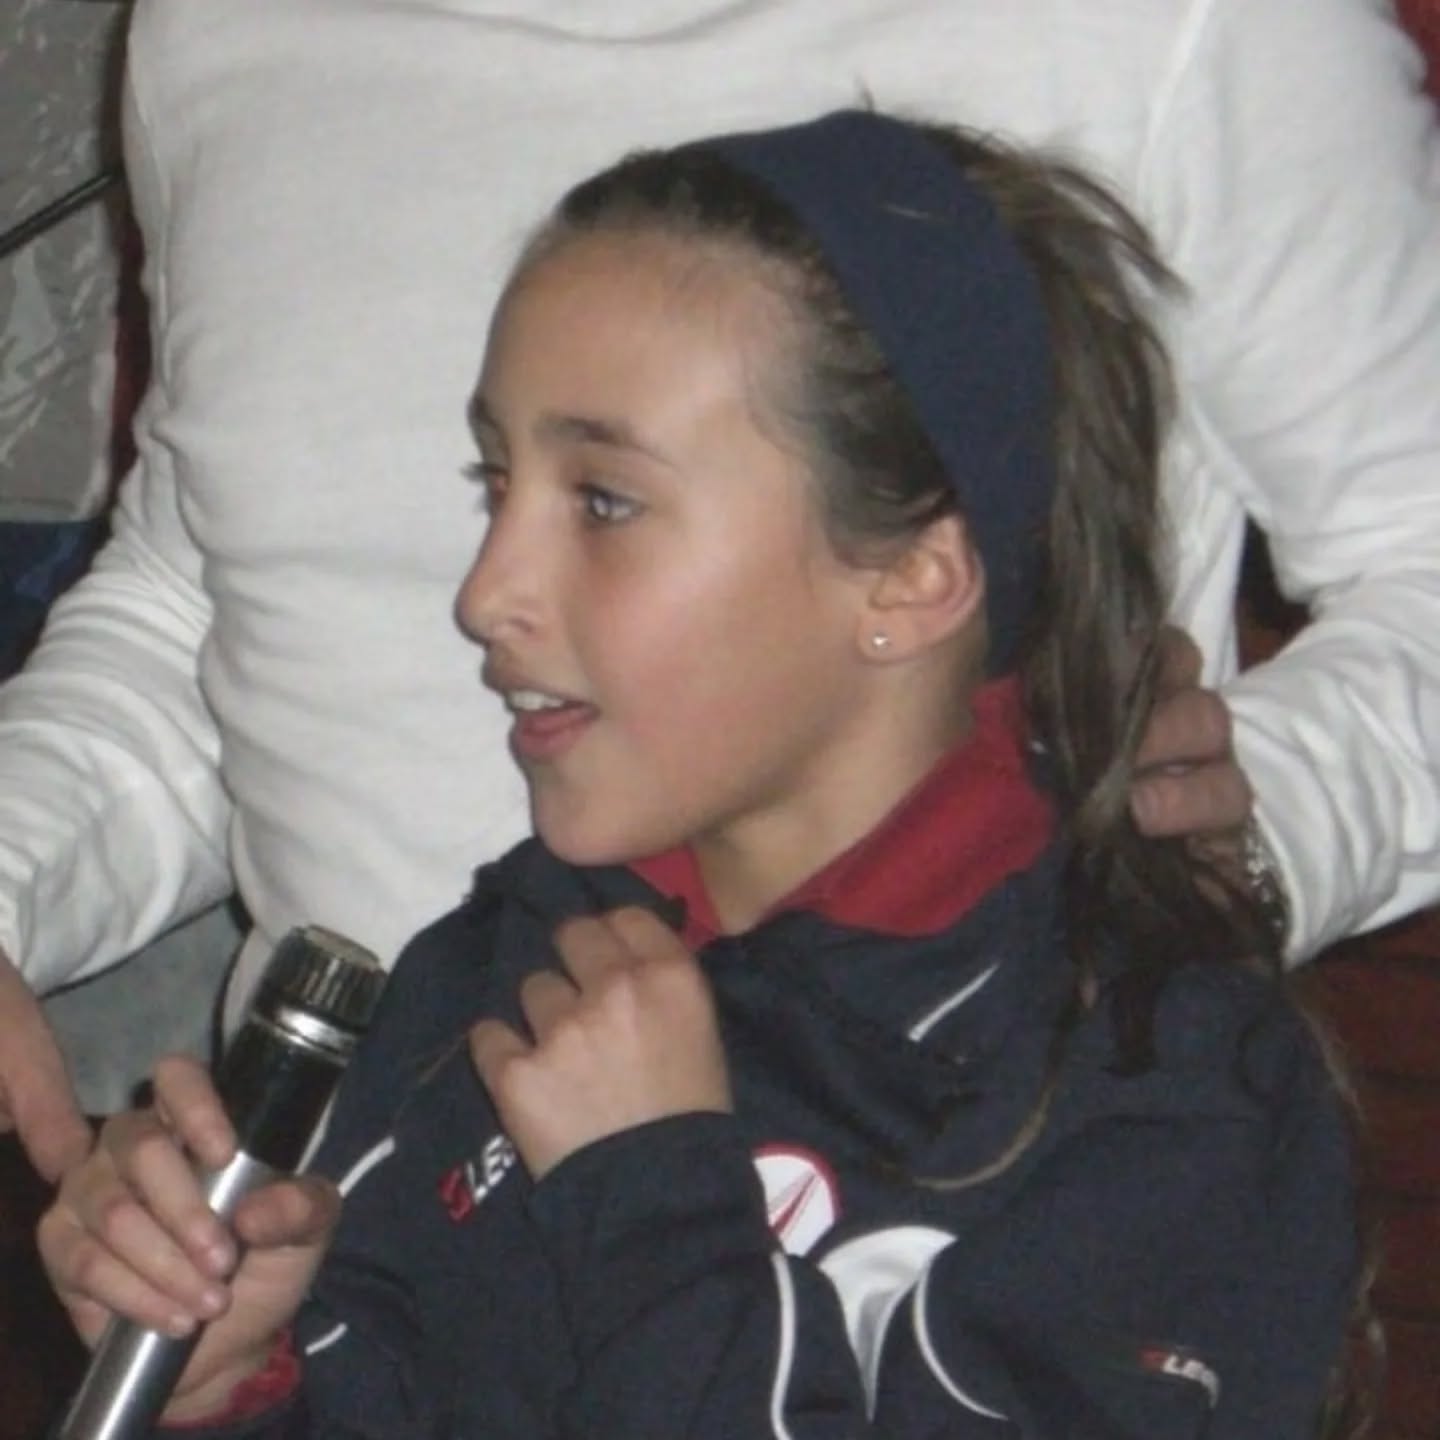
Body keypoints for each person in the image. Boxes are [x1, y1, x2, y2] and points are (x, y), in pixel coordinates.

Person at [41, 110, 1356, 1439]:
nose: (486, 593)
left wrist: (654, 1194)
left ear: (911, 578)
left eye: (604, 501)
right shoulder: (497, 970)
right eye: (496, 483)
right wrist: (235, 1382)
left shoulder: (1171, 1089)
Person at [4, 0, 1440, 1185]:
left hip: (944, 1263)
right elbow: (206, 602)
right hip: (348, 1267)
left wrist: (1231, 855)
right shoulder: (225, 29)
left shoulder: (1196, 25)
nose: (488, 595)